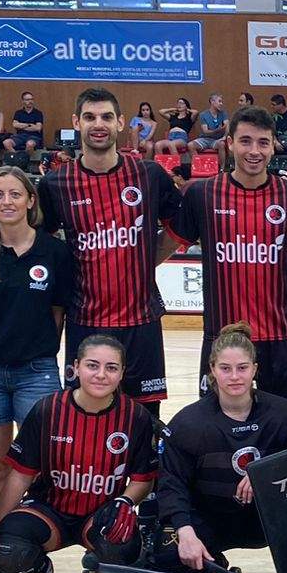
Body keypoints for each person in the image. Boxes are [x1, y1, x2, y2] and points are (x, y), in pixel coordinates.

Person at [150, 325, 287, 573]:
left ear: (255, 368)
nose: (234, 376)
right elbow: (171, 483)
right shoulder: (189, 423)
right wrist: (186, 532)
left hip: (269, 521)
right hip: (212, 520)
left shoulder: (284, 415)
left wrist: (267, 474)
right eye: (225, 368)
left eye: (242, 368)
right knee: (167, 559)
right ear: (212, 370)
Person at [0, 335, 156, 573]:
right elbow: (21, 474)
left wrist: (124, 502)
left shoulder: (136, 417)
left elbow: (142, 479)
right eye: (92, 365)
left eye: (111, 368)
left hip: (100, 515)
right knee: (7, 546)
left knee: (123, 535)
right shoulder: (47, 410)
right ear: (76, 367)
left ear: (122, 373)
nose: (101, 375)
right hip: (49, 510)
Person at [37, 87, 181, 406]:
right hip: (85, 322)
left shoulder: (149, 174)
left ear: (119, 123)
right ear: (77, 122)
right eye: (89, 117)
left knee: (145, 420)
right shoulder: (55, 185)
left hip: (140, 321)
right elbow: (41, 247)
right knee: (85, 414)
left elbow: (180, 228)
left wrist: (147, 259)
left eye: (106, 117)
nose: (98, 124)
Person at [169, 104, 287, 406]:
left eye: (263, 142)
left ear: (273, 147)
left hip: (282, 336)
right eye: (246, 141)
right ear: (229, 143)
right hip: (222, 338)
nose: (255, 151)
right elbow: (170, 242)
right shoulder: (202, 194)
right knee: (218, 432)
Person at [0, 165, 74, 517]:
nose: (7, 202)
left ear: (30, 200)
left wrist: (39, 347)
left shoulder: (54, 252)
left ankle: (28, 543)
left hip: (36, 372)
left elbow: (57, 312)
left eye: (15, 194)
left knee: (39, 466)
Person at [9, 91, 47, 157]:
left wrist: (21, 126)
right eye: (27, 100)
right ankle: (17, 158)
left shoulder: (38, 113)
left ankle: (25, 161)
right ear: (23, 101)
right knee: (6, 143)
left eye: (32, 99)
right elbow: (15, 125)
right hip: (20, 136)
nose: (30, 101)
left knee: (29, 144)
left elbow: (38, 128)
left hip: (34, 137)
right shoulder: (18, 113)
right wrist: (29, 125)